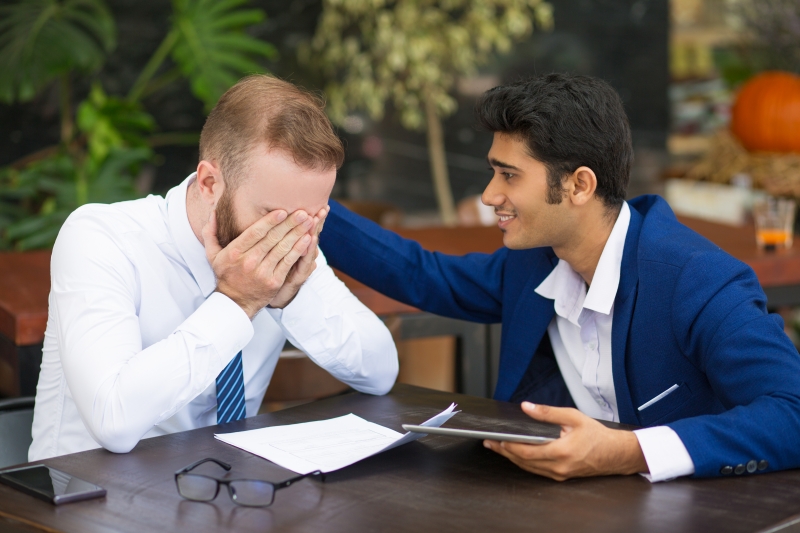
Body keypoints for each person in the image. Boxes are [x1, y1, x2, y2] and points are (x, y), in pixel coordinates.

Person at [319, 73, 800, 482]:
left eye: (508, 175)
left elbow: (792, 412)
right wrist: (309, 209)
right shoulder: (535, 261)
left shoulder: (698, 280)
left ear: (579, 185)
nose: (489, 195)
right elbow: (426, 275)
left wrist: (629, 450)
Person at [29, 76, 398, 461]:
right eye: (273, 216)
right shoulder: (102, 238)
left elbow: (380, 370)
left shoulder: (290, 240)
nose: (289, 236)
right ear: (209, 183)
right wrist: (237, 303)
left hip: (227, 501)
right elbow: (114, 421)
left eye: (310, 217)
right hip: (86, 503)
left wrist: (291, 298)